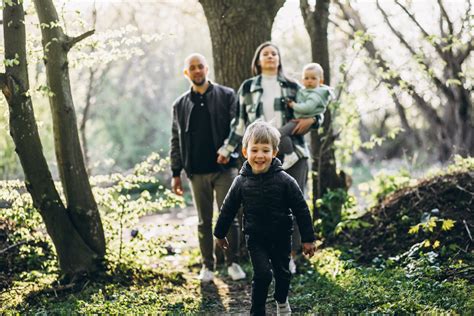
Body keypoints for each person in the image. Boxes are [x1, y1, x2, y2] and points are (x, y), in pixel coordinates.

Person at [217, 42, 323, 274]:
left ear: (279, 59)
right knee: (260, 206)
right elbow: (240, 124)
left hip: (294, 152)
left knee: (295, 203)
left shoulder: (293, 86)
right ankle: (262, 255)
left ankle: (290, 255)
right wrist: (227, 149)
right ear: (258, 61)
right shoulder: (247, 88)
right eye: (265, 53)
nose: (271, 56)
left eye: (274, 53)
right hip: (261, 155)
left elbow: (316, 107)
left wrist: (315, 121)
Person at [214, 121, 316, 315]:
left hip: (281, 237)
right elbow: (228, 209)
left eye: (265, 150)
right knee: (262, 274)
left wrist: (308, 238)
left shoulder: (285, 180)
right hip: (255, 238)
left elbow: (301, 209)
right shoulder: (241, 182)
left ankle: (281, 301)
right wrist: (220, 233)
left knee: (283, 274)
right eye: (254, 150)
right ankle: (257, 310)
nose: (260, 155)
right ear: (245, 152)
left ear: (274, 152)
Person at [170, 53, 246, 282]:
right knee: (203, 221)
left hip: (225, 169)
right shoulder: (180, 104)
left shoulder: (226, 95)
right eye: (192, 67)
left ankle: (232, 263)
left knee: (229, 217)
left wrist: (227, 150)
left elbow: (238, 125)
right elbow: (175, 139)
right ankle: (208, 266)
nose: (197, 70)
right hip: (196, 172)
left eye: (200, 66)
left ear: (207, 69)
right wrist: (176, 173)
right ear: (187, 73)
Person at [280, 62, 332, 170]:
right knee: (282, 135)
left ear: (320, 81)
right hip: (298, 120)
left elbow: (307, 108)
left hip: (299, 121)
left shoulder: (316, 94)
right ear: (302, 80)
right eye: (306, 78)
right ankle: (289, 154)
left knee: (279, 134)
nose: (309, 81)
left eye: (313, 78)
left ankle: (290, 155)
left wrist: (293, 105)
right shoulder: (304, 91)